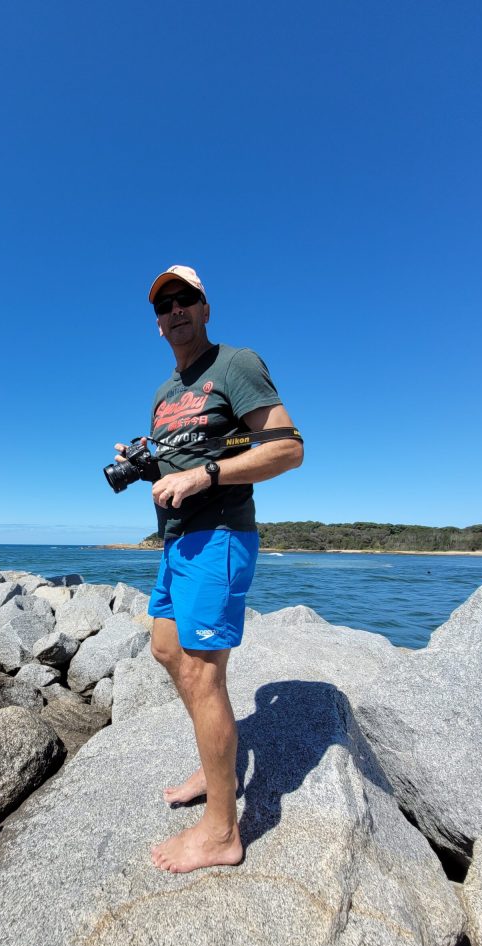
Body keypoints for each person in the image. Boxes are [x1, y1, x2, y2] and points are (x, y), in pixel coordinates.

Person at [115, 264, 303, 874]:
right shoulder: (163, 395)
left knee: (202, 672)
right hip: (177, 540)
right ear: (157, 322)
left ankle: (222, 832)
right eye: (163, 305)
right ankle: (215, 764)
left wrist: (208, 475)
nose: (174, 310)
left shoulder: (235, 364)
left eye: (184, 299)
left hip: (219, 534)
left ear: (204, 307)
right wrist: (147, 466)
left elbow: (288, 448)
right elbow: (179, 463)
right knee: (167, 649)